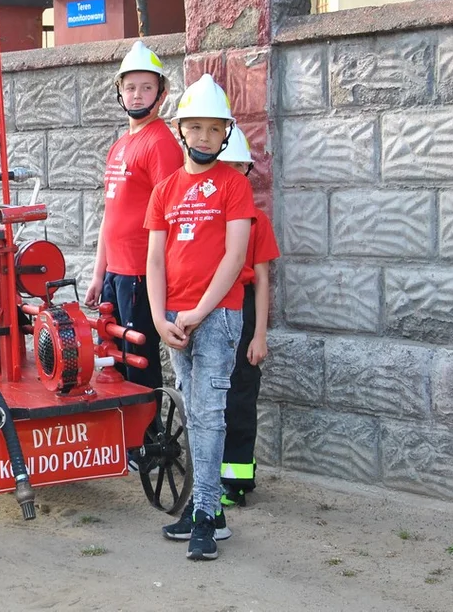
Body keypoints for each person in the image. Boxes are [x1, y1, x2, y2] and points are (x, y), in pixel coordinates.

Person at [146, 74, 254, 562]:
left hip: (217, 316)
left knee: (208, 415)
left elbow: (235, 258)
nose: (205, 138)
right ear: (181, 130)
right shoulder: (165, 189)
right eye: (197, 128)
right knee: (194, 412)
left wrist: (195, 312)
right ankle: (206, 510)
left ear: (225, 133)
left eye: (215, 129)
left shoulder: (233, 185)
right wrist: (160, 317)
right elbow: (154, 259)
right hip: (174, 319)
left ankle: (206, 515)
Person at [85, 41, 183, 393]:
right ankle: (127, 442)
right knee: (118, 360)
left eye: (146, 87)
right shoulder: (119, 145)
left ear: (162, 92)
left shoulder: (161, 144)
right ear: (120, 92)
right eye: (130, 87)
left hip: (141, 274)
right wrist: (99, 274)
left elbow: (172, 216)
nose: (138, 96)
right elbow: (110, 216)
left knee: (139, 364)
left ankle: (148, 443)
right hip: (116, 273)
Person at [215, 126, 280, 509]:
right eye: (224, 165)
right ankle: (211, 473)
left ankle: (237, 481)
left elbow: (262, 279)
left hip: (242, 307)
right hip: (209, 306)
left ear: (246, 170)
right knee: (211, 400)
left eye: (237, 166)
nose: (229, 172)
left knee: (240, 398)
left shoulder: (256, 222)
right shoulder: (205, 215)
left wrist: (259, 336)